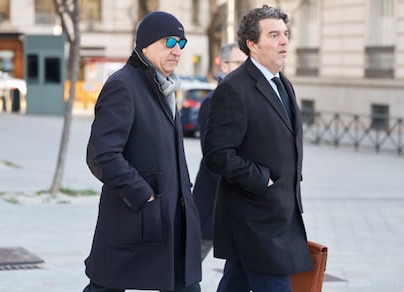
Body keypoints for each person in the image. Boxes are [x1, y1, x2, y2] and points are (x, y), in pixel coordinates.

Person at [83, 11, 201, 292]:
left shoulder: (165, 87)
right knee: (106, 286)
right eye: (170, 41)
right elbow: (103, 154)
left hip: (170, 217)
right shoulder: (123, 85)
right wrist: (144, 195)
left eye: (181, 44)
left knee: (185, 285)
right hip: (134, 217)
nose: (177, 50)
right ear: (146, 45)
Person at [203, 5, 314, 292]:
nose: (284, 41)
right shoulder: (234, 88)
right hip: (254, 217)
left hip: (280, 214)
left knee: (235, 283)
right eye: (274, 35)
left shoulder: (284, 84)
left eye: (285, 34)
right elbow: (217, 154)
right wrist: (262, 179)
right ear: (252, 44)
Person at [192, 43, 246, 260]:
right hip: (212, 203)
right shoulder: (212, 102)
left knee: (237, 272)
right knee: (187, 271)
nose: (245, 69)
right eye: (239, 64)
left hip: (240, 208)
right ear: (224, 66)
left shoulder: (245, 98)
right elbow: (214, 158)